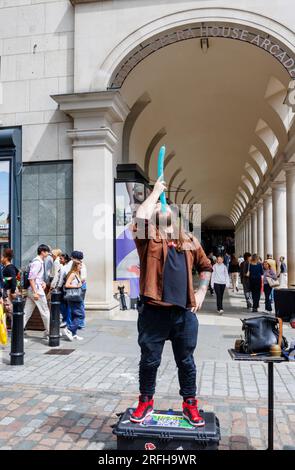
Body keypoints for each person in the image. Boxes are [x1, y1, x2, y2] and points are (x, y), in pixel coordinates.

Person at [130, 176, 212, 427]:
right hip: (153, 312)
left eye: (164, 208)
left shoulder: (188, 239)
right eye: (157, 209)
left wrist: (201, 292)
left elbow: (205, 266)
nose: (160, 210)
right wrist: (154, 193)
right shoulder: (147, 239)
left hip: (183, 314)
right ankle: (146, 401)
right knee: (149, 360)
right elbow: (140, 218)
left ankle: (190, 404)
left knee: (186, 361)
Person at [23, 244, 51, 340]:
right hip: (37, 291)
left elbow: (36, 277)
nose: (48, 253)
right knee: (45, 312)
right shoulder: (38, 262)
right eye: (47, 251)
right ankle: (49, 332)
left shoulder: (38, 262)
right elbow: (31, 278)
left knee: (26, 313)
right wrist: (35, 292)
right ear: (42, 252)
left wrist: (42, 282)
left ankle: (18, 333)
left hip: (34, 289)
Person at [63, 261, 84, 341]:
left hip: (76, 297)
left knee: (75, 315)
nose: (81, 266)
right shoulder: (72, 274)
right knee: (80, 315)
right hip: (74, 297)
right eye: (80, 265)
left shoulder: (77, 274)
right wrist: (76, 286)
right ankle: (69, 329)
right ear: (75, 266)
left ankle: (74, 334)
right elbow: (67, 285)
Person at [1, 248, 19, 319]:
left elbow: (14, 279)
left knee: (10, 310)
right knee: (8, 310)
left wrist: (12, 291)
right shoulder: (6, 267)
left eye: (2, 257)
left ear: (6, 258)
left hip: (9, 291)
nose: (1, 259)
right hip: (7, 291)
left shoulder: (10, 267)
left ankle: (16, 328)